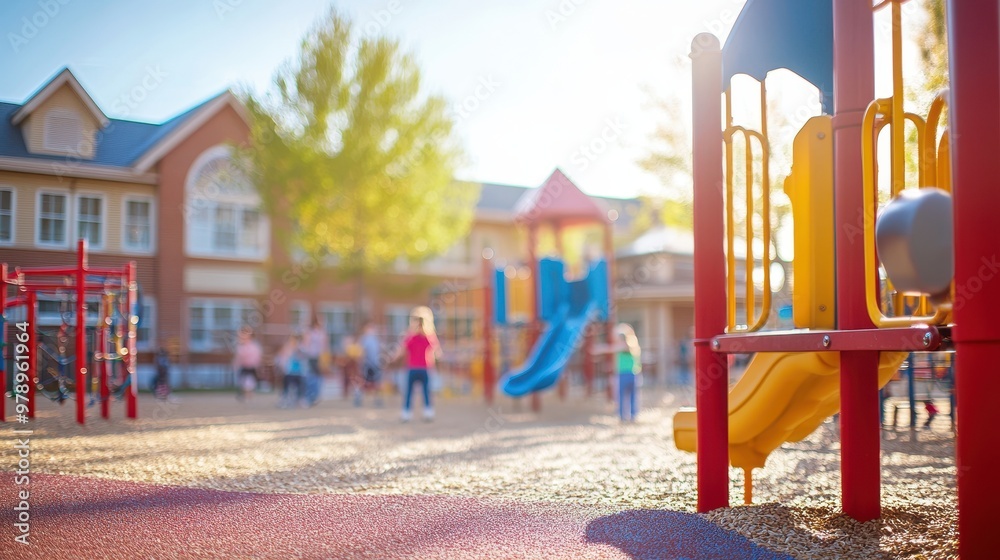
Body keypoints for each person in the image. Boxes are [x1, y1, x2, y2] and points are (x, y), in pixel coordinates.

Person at [391, 309, 441, 422]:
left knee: (409, 391)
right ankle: (428, 412)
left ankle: (406, 413)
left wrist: (393, 359)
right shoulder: (429, 337)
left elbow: (401, 351)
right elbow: (437, 352)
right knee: (426, 391)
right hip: (425, 368)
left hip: (412, 368)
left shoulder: (410, 337)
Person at [595, 323, 643, 422]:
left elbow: (609, 348)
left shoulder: (623, 345)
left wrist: (598, 349)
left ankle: (622, 416)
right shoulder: (634, 346)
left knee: (621, 396)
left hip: (623, 375)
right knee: (632, 396)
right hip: (633, 374)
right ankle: (633, 415)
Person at [233, 327, 263, 402]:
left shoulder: (253, 346)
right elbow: (238, 358)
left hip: (251, 367)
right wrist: (236, 364)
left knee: (249, 382)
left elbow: (256, 357)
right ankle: (245, 395)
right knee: (243, 381)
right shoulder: (241, 346)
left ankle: (248, 395)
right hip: (244, 366)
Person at [277, 333, 307, 408]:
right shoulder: (287, 348)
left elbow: (304, 357)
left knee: (300, 387)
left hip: (299, 372)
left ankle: (300, 400)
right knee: (286, 387)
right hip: (289, 372)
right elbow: (282, 358)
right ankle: (285, 399)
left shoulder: (301, 348)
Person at [302, 317, 327, 406]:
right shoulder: (312, 333)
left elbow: (324, 346)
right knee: (313, 377)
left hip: (316, 357)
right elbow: (306, 345)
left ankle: (313, 396)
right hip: (312, 357)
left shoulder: (319, 333)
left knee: (316, 377)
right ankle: (311, 396)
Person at [357, 322, 383, 407]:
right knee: (364, 382)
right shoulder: (365, 339)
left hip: (375, 364)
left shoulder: (375, 339)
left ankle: (377, 399)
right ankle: (358, 398)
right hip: (367, 365)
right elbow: (362, 352)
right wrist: (362, 363)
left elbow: (379, 351)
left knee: (376, 382)